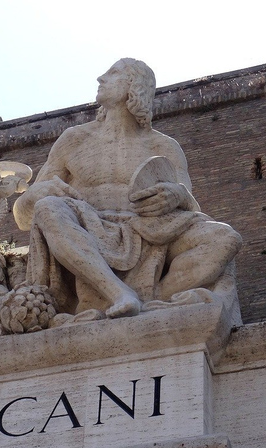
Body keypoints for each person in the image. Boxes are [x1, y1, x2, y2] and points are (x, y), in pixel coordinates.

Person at [13, 58, 242, 319]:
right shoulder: (74, 140)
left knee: (226, 238)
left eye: (112, 73)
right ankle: (118, 293)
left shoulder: (163, 146)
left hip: (149, 232)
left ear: (136, 86)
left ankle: (151, 300)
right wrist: (33, 195)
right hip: (88, 228)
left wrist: (175, 195)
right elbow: (23, 216)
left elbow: (191, 204)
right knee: (47, 209)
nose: (100, 78)